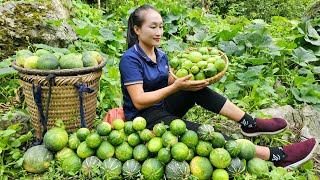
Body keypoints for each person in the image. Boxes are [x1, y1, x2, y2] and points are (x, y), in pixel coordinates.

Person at [119, 4, 318, 169]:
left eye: (161, 27)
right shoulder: (130, 59)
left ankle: (250, 123)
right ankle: (275, 156)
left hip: (163, 105)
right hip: (143, 117)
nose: (159, 32)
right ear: (137, 30)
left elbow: (167, 82)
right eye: (153, 27)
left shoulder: (160, 54)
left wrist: (186, 83)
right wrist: (175, 87)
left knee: (197, 90)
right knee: (202, 132)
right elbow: (139, 100)